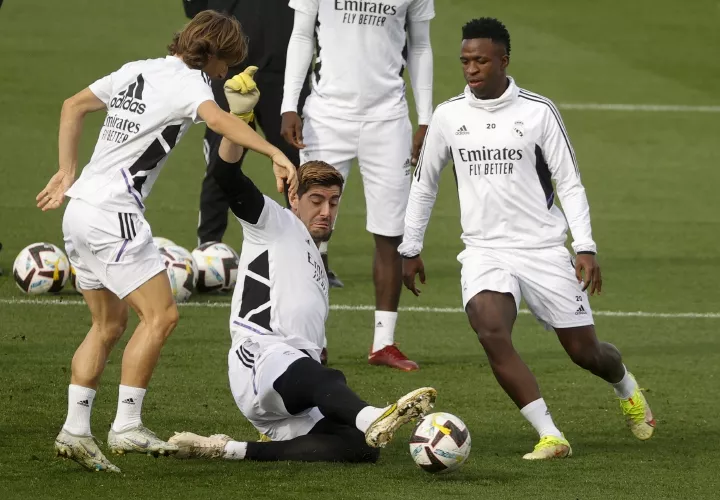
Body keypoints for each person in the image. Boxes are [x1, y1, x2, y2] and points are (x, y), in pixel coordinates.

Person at [37, 10, 298, 473]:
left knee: (108, 326)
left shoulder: (136, 69)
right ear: (211, 52)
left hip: (79, 211)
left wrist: (66, 170)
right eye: (227, 63)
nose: (226, 73)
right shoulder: (190, 84)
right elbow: (218, 124)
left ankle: (75, 431)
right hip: (114, 214)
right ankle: (127, 426)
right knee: (162, 316)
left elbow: (71, 106)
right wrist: (275, 150)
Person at [399, 18, 656, 460]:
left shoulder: (538, 111)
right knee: (490, 328)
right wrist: (410, 247)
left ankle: (626, 387)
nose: (471, 69)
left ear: (503, 60)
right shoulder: (448, 116)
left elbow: (569, 181)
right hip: (484, 250)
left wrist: (585, 246)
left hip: (542, 249)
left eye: (480, 60)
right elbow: (424, 183)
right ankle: (550, 435)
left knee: (586, 352)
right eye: (464, 61)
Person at [168, 127, 437, 462]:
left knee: (360, 449)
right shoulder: (273, 222)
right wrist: (238, 120)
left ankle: (226, 450)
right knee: (324, 380)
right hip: (259, 358)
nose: (326, 211)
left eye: (334, 202)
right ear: (294, 198)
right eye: (316, 200)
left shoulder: (318, 268)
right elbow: (224, 175)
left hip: (289, 389)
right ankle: (373, 416)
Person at [280, 0, 436, 371]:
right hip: (326, 116)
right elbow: (301, 34)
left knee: (390, 232)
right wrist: (289, 104)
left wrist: (426, 116)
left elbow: (420, 45)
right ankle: (308, 340)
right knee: (309, 231)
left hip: (388, 119)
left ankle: (384, 342)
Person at [183, 1, 314, 256]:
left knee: (298, 165)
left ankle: (308, 252)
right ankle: (208, 248)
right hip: (228, 70)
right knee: (221, 165)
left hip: (287, 76)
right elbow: (197, 11)